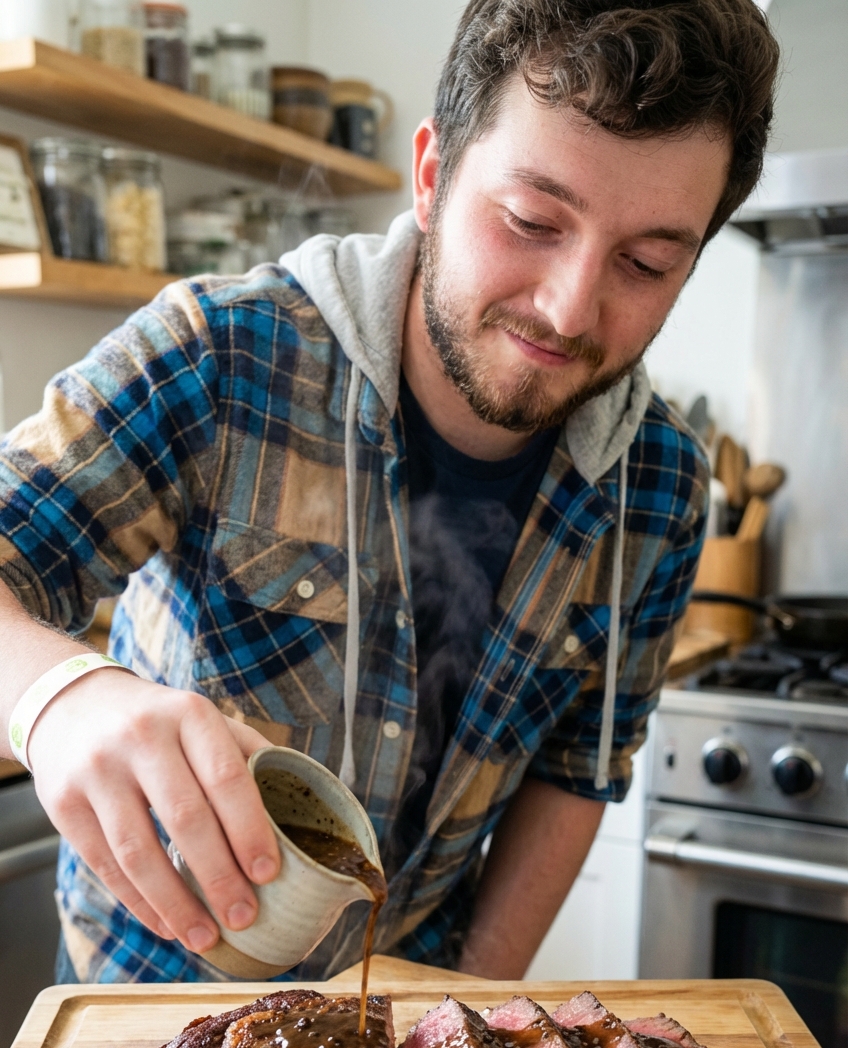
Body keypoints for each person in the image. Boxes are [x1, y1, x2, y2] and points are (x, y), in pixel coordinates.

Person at [0, 0, 779, 985]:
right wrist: (59, 697)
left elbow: (575, 772)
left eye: (645, 262)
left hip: (410, 1009)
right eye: (530, 221)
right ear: (430, 175)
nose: (568, 306)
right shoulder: (220, 358)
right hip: (142, 1005)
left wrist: (468, 1015)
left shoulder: (660, 487)